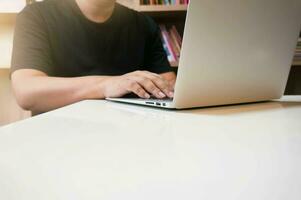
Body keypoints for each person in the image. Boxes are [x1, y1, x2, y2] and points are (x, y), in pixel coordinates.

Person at [11, 0, 176, 114]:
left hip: (128, 140)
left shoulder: (144, 24)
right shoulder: (36, 15)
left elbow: (169, 86)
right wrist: (107, 85)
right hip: (57, 142)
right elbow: (27, 91)